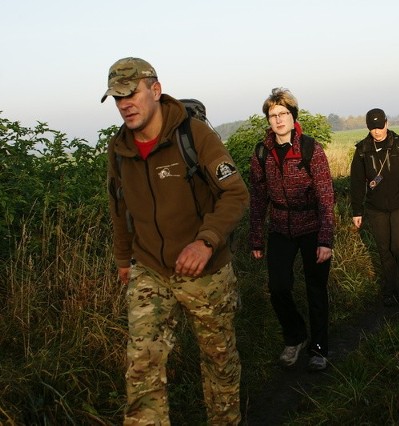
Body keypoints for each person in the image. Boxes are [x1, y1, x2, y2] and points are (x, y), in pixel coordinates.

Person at [103, 57, 249, 424]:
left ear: (155, 89)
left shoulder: (193, 135)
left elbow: (235, 194)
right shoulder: (118, 149)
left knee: (219, 362)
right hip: (150, 269)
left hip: (206, 272)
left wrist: (206, 241)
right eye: (117, 98)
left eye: (130, 94)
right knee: (141, 366)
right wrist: (124, 260)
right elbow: (119, 209)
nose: (124, 105)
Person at [249, 88, 335, 372]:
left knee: (315, 289)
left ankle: (319, 347)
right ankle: (296, 336)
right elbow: (259, 197)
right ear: (268, 120)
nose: (278, 119)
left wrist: (325, 239)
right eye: (273, 115)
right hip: (280, 228)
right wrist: (256, 238)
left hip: (311, 226)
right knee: (278, 288)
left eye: (283, 113)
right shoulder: (262, 152)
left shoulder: (311, 148)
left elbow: (325, 195)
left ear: (293, 116)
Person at [350, 108, 399, 307]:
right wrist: (356, 210)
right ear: (368, 128)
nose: (377, 131)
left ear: (387, 123)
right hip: (376, 208)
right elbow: (357, 182)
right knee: (384, 250)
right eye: (372, 127)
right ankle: (391, 288)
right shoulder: (362, 150)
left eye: (380, 126)